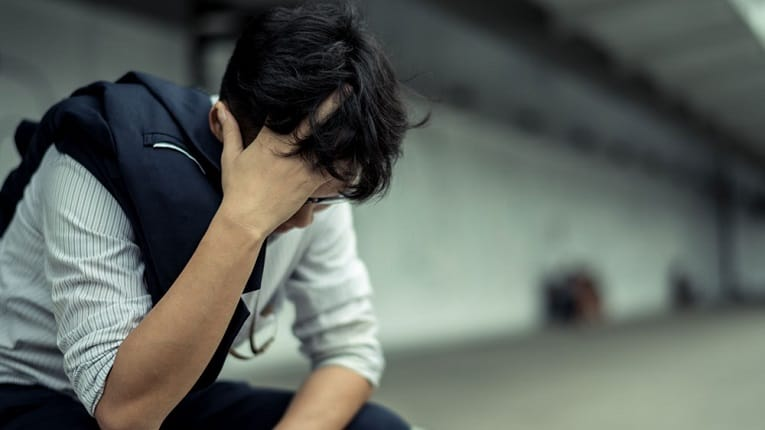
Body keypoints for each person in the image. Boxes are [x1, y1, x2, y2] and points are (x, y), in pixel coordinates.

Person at [0, 3, 422, 429]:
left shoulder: (317, 180)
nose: (304, 220)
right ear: (221, 125)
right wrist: (245, 220)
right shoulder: (99, 154)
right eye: (293, 196)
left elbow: (350, 352)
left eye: (321, 199)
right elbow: (125, 415)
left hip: (171, 396)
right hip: (36, 395)